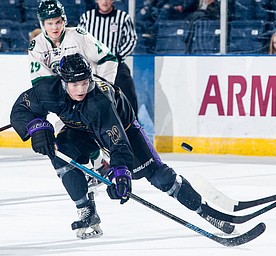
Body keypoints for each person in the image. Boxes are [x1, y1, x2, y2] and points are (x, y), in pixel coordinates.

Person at [10, 53, 235, 239]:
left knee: (157, 175)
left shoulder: (99, 102)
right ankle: (86, 210)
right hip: (80, 131)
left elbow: (117, 142)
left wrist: (120, 173)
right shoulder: (47, 90)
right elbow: (21, 109)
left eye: (85, 83)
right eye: (75, 84)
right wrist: (37, 126)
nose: (80, 89)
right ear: (63, 82)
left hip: (123, 128)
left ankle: (203, 210)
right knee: (59, 151)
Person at [28, 0, 117, 185]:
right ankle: (98, 166)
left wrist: (101, 89)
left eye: (58, 21)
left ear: (64, 20)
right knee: (65, 136)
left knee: (83, 131)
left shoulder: (78, 35)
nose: (54, 27)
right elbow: (41, 82)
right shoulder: (37, 45)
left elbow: (108, 58)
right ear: (42, 24)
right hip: (66, 101)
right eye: (49, 23)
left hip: (88, 93)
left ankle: (101, 165)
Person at [79, 0, 139, 117]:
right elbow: (80, 40)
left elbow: (131, 39)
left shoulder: (123, 18)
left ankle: (132, 126)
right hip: (92, 66)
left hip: (116, 64)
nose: (105, 1)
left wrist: (118, 57)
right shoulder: (87, 17)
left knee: (129, 95)